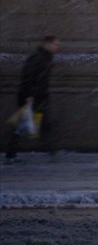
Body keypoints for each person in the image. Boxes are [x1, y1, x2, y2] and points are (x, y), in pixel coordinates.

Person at [4, 35, 60, 164]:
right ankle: (11, 154)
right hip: (33, 97)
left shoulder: (45, 57)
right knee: (24, 126)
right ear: (47, 43)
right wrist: (29, 96)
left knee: (43, 124)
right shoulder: (38, 58)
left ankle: (52, 151)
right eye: (55, 44)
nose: (57, 47)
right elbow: (28, 77)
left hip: (39, 96)